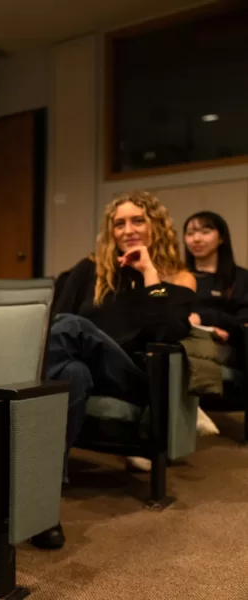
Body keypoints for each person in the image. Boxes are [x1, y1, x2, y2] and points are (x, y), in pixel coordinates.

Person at [39, 191, 196, 550]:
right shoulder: (89, 269)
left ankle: (5, 426)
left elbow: (167, 331)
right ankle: (43, 503)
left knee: (74, 326)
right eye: (119, 223)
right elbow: (53, 322)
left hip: (132, 378)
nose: (128, 229)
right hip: (86, 370)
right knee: (74, 372)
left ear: (157, 225)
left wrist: (149, 273)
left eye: (138, 220)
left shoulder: (179, 277)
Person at [183, 211, 248, 344]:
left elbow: (243, 321)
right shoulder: (178, 276)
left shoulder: (240, 278)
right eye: (190, 234)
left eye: (205, 232)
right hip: (182, 342)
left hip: (226, 347)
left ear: (221, 238)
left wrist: (204, 318)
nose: (196, 239)